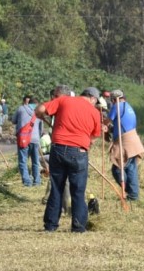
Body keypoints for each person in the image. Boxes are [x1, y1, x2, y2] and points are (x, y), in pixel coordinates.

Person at [35, 86, 102, 233]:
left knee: (57, 188)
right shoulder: (95, 112)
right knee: (78, 191)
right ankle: (78, 227)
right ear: (93, 98)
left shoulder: (64, 100)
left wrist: (41, 115)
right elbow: (95, 135)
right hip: (79, 151)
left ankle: (50, 225)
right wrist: (85, 142)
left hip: (58, 148)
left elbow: (40, 109)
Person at [107, 89, 144, 201]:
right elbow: (123, 124)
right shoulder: (128, 106)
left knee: (118, 168)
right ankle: (134, 195)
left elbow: (107, 121)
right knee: (131, 168)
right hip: (134, 140)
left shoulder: (116, 106)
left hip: (126, 142)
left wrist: (103, 124)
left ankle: (130, 192)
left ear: (114, 100)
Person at [13, 96, 43, 186]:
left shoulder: (21, 109)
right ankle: (37, 181)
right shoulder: (39, 111)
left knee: (23, 161)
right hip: (35, 139)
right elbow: (41, 129)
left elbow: (13, 120)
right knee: (35, 161)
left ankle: (27, 182)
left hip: (24, 139)